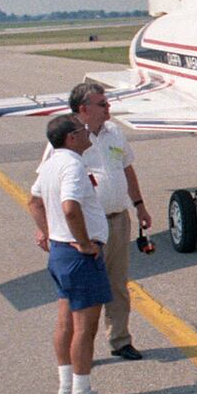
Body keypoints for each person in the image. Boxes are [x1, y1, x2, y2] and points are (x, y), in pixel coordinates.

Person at [28, 115, 122, 394]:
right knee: (86, 327)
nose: (87, 134)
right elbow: (70, 208)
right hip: (78, 256)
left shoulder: (51, 163)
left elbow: (34, 201)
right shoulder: (72, 165)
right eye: (81, 131)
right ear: (70, 137)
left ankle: (66, 387)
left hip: (58, 251)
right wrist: (83, 242)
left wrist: (50, 231)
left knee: (65, 321)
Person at [61, 82, 153, 360]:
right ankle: (78, 351)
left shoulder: (114, 133)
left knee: (118, 285)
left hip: (118, 219)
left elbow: (127, 170)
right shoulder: (69, 138)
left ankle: (120, 340)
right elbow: (47, 183)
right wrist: (46, 229)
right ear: (84, 109)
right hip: (87, 228)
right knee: (84, 293)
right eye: (102, 104)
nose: (108, 108)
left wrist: (140, 206)